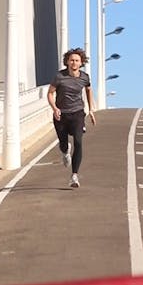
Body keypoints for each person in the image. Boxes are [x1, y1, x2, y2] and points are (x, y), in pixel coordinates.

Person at [47, 48, 96, 188]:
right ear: (67, 62)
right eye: (72, 60)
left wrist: (91, 109)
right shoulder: (59, 77)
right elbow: (50, 93)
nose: (74, 63)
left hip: (77, 113)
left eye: (77, 61)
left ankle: (74, 176)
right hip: (61, 114)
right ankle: (64, 150)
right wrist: (55, 108)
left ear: (81, 63)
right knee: (63, 144)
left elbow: (88, 89)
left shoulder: (84, 77)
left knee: (79, 142)